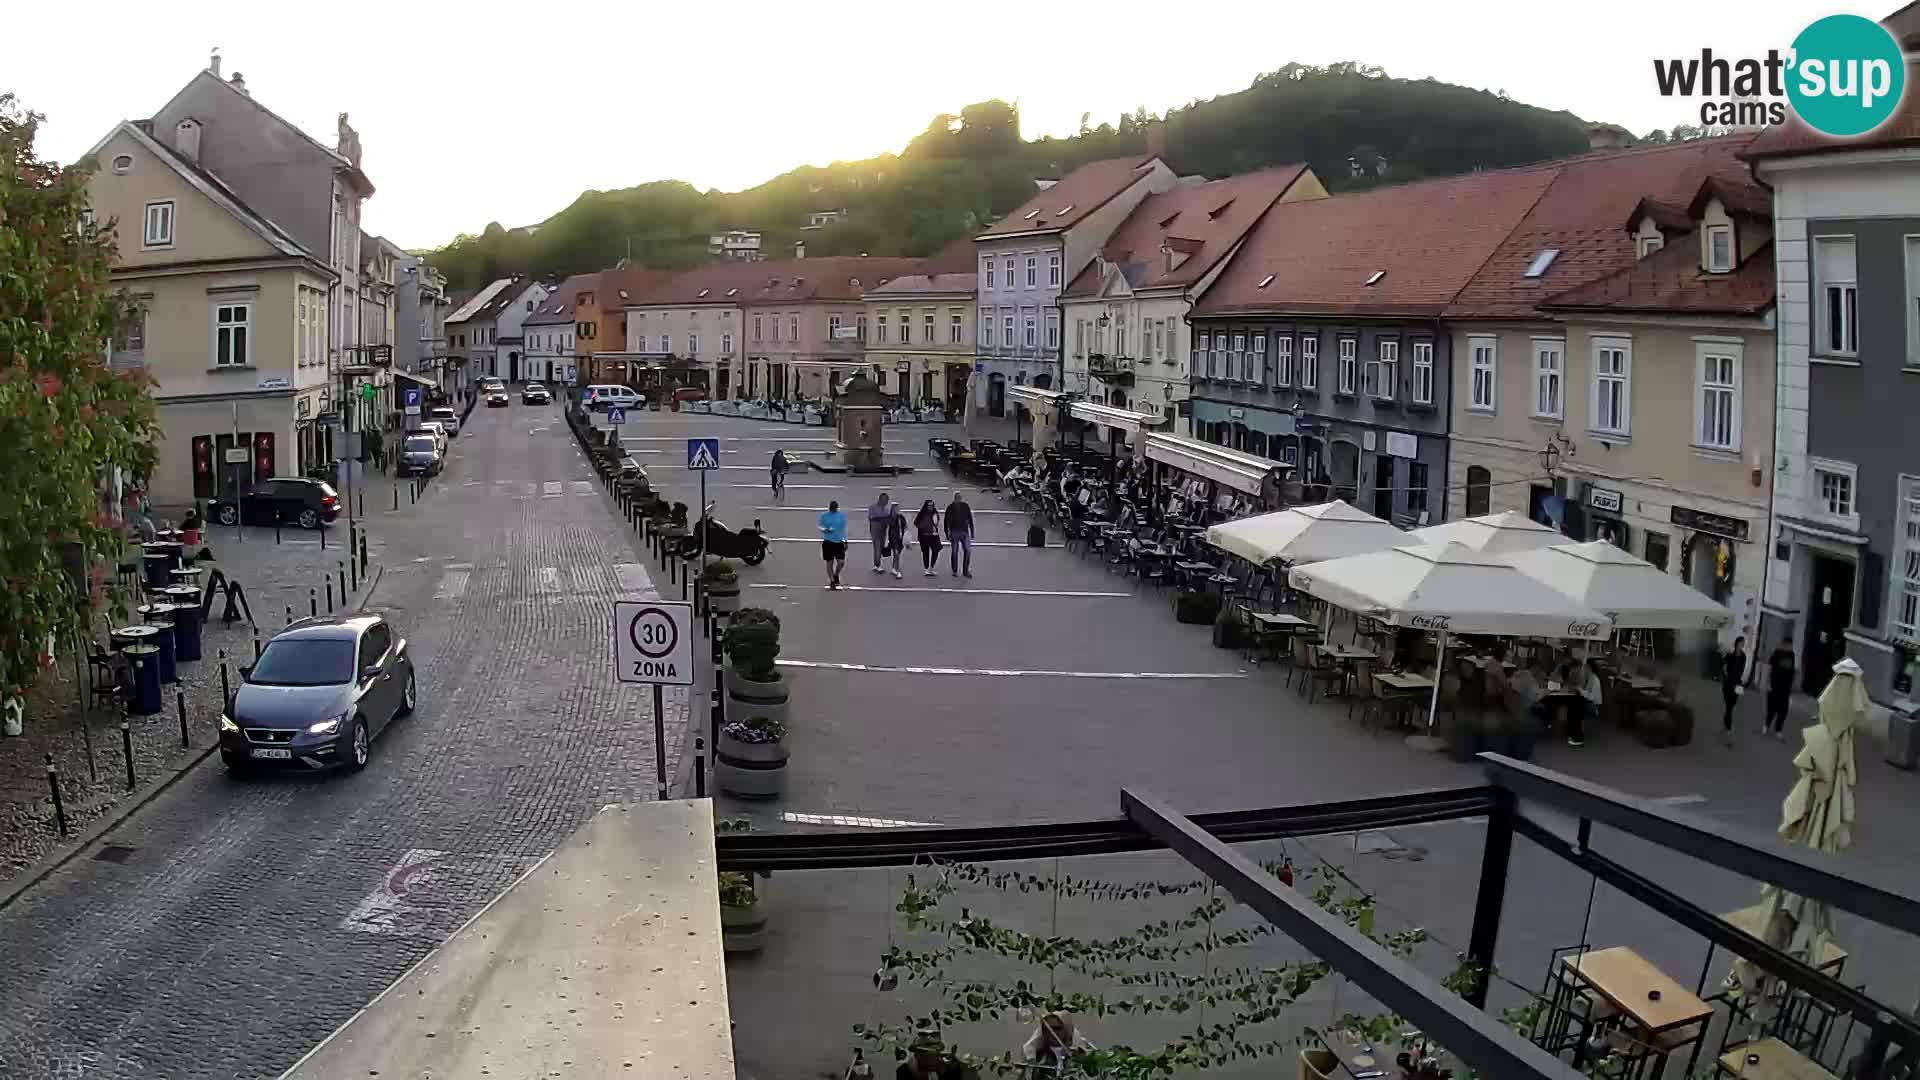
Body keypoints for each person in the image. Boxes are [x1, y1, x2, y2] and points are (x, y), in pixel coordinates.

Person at [1764, 635, 1796, 739]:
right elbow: (1770, 668)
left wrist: (1792, 685)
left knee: (1783, 710)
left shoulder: (1792, 655)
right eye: (1787, 645)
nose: (1789, 647)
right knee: (1772, 708)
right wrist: (1768, 683)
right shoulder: (1776, 653)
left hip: (1786, 688)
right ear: (1784, 644)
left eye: (1790, 645)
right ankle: (1766, 725)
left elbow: (1792, 672)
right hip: (1775, 685)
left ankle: (1778, 730)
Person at [1567, 658, 1602, 747]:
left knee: (1575, 706)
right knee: (1573, 704)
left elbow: (1591, 697)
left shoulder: (1594, 679)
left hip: (1593, 706)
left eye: (1584, 667)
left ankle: (1577, 737)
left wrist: (1579, 690)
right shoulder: (1590, 678)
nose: (1583, 670)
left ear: (1588, 668)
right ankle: (1573, 733)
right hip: (1589, 703)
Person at [1721, 635, 1748, 746]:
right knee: (1729, 706)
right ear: (1736, 643)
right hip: (1728, 683)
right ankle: (1729, 730)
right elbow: (1723, 665)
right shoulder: (1730, 655)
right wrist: (1725, 675)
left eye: (1743, 643)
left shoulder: (1743, 656)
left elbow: (1742, 670)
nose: (1742, 645)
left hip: (1738, 684)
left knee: (1732, 705)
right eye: (1741, 643)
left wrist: (1741, 682)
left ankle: (1726, 722)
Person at [818, 499, 848, 589]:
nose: (833, 509)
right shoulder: (824, 516)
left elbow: (844, 529)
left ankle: (836, 574)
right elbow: (820, 526)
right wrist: (824, 530)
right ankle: (832, 580)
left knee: (841, 562)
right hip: (828, 541)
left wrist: (845, 541)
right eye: (831, 507)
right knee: (829, 562)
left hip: (838, 541)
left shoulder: (841, 516)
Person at [945, 491, 975, 578]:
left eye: (959, 497)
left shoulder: (965, 506)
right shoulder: (950, 508)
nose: (958, 499)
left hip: (964, 532)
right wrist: (947, 533)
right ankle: (955, 570)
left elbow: (970, 519)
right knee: (954, 551)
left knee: (967, 550)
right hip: (954, 532)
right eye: (957, 497)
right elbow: (946, 522)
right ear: (954, 498)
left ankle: (965, 571)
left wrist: (972, 531)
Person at [914, 499, 943, 576]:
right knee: (925, 553)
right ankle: (927, 568)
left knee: (936, 551)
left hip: (934, 535)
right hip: (924, 536)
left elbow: (937, 522)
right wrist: (923, 526)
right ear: (926, 506)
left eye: (932, 505)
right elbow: (916, 523)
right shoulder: (922, 514)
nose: (931, 506)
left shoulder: (935, 513)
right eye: (929, 505)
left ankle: (932, 567)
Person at [867, 493, 893, 573]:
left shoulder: (885, 509)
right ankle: (878, 565)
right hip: (875, 530)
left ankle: (876, 564)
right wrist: (884, 518)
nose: (886, 502)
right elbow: (872, 518)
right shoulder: (873, 507)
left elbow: (888, 520)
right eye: (886, 500)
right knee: (877, 546)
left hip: (883, 530)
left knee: (880, 547)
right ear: (881, 499)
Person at [883, 501, 909, 579]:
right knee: (896, 554)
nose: (897, 510)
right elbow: (889, 525)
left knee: (897, 555)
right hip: (894, 539)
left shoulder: (901, 517)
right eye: (895, 508)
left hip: (900, 539)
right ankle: (897, 571)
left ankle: (894, 568)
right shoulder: (891, 518)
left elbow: (905, 526)